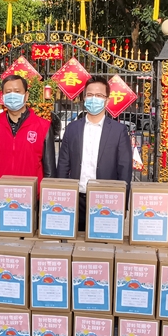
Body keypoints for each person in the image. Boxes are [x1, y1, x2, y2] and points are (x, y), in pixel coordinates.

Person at [56, 76, 133, 233]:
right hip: (76, 200)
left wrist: (123, 204)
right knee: (74, 242)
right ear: (84, 98)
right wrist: (61, 197)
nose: (94, 99)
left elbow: (125, 169)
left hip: (106, 200)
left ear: (107, 100)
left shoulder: (118, 131)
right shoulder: (72, 128)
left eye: (99, 95)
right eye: (90, 95)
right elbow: (63, 164)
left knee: (103, 243)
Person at [0, 74, 56, 185]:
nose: (12, 95)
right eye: (8, 92)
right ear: (3, 97)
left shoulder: (43, 127)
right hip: (0, 192)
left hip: (32, 193)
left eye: (17, 91)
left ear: (26, 95)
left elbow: (50, 172)